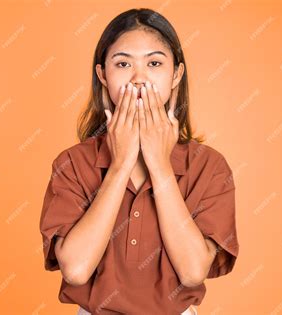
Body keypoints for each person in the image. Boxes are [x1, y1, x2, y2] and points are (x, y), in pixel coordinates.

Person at [39, 8, 239, 315]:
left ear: (176, 75)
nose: (139, 79)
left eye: (155, 63)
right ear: (103, 74)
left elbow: (192, 271)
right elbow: (76, 270)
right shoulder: (73, 163)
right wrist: (119, 166)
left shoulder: (209, 167)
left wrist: (160, 167)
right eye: (122, 64)